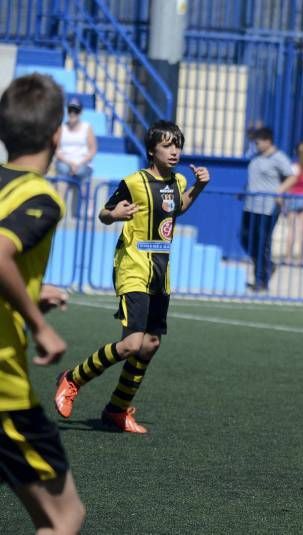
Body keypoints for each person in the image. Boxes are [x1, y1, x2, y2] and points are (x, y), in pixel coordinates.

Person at [54, 120, 211, 433]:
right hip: (133, 266)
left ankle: (117, 410)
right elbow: (104, 212)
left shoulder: (178, 181)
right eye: (167, 145)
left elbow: (176, 209)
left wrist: (198, 187)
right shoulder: (134, 181)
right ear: (152, 150)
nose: (174, 150)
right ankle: (73, 379)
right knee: (131, 344)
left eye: (177, 144)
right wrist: (115, 214)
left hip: (160, 272)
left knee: (150, 344)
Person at [0, 74, 85, 533]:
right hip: (4, 391)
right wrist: (39, 324)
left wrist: (30, 291)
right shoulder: (39, 195)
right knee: (65, 516)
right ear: (57, 134)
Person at [239, 127, 296, 291]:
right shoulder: (256, 157)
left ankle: (260, 281)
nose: (256, 145)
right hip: (251, 206)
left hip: (267, 208)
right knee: (245, 238)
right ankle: (268, 266)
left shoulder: (279, 157)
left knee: (262, 242)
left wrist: (280, 191)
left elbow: (291, 177)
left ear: (267, 141)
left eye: (258, 142)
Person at [54, 97, 97, 217]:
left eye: (76, 111)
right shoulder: (61, 128)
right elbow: (57, 150)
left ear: (80, 113)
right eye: (70, 110)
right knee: (62, 171)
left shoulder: (87, 127)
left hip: (82, 162)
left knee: (84, 172)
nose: (72, 114)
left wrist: (79, 163)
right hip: (65, 162)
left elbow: (92, 150)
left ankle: (87, 209)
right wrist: (70, 163)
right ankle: (59, 208)